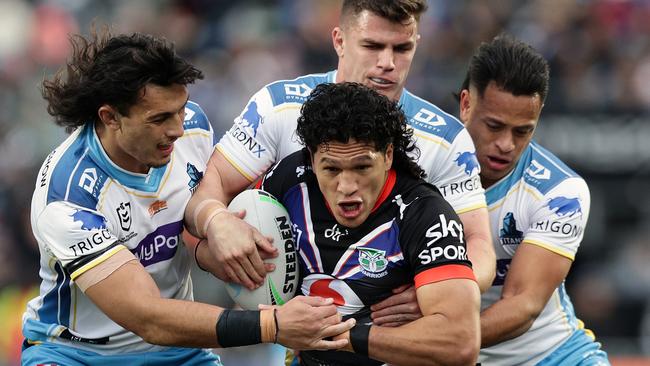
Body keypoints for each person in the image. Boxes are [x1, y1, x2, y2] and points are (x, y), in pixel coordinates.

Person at [21, 29, 354, 366]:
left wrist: (215, 227)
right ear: (110, 117)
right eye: (160, 118)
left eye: (179, 109)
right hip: (77, 355)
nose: (177, 128)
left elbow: (182, 221)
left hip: (176, 354)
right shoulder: (68, 198)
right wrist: (273, 325)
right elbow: (147, 317)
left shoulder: (192, 127)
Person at [186, 0, 494, 326]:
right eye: (372, 46)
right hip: (301, 335)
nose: (388, 63)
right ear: (339, 41)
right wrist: (217, 223)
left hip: (394, 339)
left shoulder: (445, 139)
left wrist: (445, 291)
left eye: (402, 48)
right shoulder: (278, 108)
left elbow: (478, 243)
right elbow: (211, 185)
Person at [257, 81, 480, 366]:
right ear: (312, 160)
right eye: (331, 169)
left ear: (388, 156)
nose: (347, 186)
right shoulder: (289, 181)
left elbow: (461, 343)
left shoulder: (425, 214)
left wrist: (343, 337)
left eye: (362, 167)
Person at [458, 35, 610, 365]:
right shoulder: (421, 167)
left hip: (552, 356)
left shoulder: (561, 192)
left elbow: (522, 305)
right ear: (466, 104)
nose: (506, 144)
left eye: (522, 131)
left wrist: (438, 342)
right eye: (494, 126)